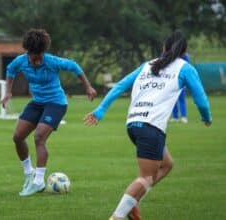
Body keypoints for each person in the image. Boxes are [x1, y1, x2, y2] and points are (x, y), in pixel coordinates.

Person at [83, 31, 212, 220]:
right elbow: (201, 100)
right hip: (151, 128)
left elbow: (119, 86)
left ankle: (132, 204)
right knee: (147, 177)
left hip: (133, 125)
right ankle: (117, 216)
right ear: (184, 52)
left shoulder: (147, 65)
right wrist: (206, 117)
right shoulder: (185, 68)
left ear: (164, 48)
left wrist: (101, 110)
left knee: (167, 164)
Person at [1, 28, 97, 196]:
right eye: (34, 58)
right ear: (28, 53)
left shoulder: (52, 61)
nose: (37, 62)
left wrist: (88, 86)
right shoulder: (20, 61)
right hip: (37, 103)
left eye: (40, 58)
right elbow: (10, 70)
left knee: (39, 137)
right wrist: (8, 92)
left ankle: (38, 182)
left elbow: (74, 66)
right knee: (17, 137)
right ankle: (28, 173)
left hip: (56, 103)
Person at [171, 53, 190, 123]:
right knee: (173, 99)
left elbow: (187, 67)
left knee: (181, 98)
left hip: (181, 79)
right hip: (171, 79)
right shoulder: (171, 54)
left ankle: (184, 117)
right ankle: (175, 117)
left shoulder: (184, 55)